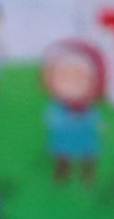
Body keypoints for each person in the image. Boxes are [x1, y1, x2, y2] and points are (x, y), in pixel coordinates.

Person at [39, 38, 106, 183]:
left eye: (79, 78)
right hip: (64, 138)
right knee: (63, 157)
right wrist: (63, 120)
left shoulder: (88, 106)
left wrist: (99, 125)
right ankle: (62, 173)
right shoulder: (57, 106)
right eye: (63, 78)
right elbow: (51, 118)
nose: (71, 84)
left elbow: (95, 117)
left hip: (86, 136)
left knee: (88, 157)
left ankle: (88, 175)